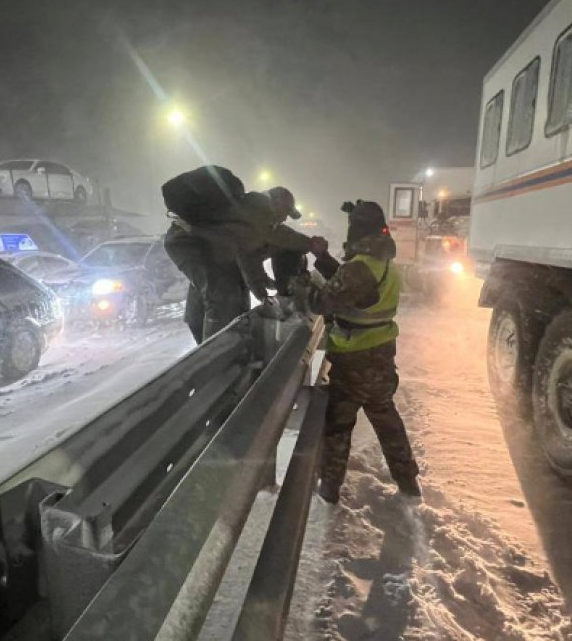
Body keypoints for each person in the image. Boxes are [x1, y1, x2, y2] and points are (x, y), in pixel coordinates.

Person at [303, 199, 420, 504]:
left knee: (339, 425)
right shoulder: (383, 263)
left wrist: (304, 284)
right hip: (381, 355)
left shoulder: (359, 268)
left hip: (354, 360)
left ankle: (329, 489)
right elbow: (353, 287)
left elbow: (323, 302)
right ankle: (408, 482)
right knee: (386, 419)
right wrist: (324, 258)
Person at [163, 169, 324, 342]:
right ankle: (217, 349)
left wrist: (263, 289)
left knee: (227, 286)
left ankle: (210, 336)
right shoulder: (259, 209)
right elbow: (279, 238)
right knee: (221, 292)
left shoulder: (249, 216)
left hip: (201, 244)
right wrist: (311, 244)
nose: (285, 218)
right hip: (187, 242)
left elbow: (249, 259)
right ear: (276, 201)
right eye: (286, 211)